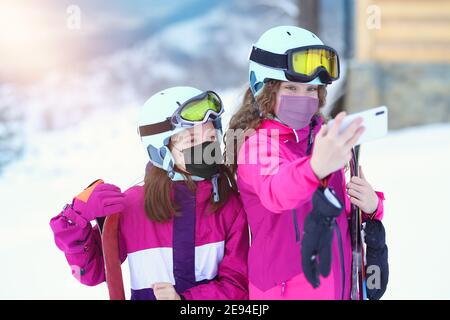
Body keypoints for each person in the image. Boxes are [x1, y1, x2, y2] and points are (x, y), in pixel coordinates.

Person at [225, 26, 385, 300]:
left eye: (311, 89)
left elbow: (330, 211)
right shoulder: (256, 145)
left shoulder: (321, 138)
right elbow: (278, 190)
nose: (304, 98)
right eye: (291, 87)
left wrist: (371, 206)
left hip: (339, 289)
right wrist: (315, 167)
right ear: (263, 88)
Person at [50, 87, 249, 300]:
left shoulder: (228, 205)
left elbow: (237, 286)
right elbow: (93, 272)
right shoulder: (133, 207)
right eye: (191, 140)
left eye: (211, 136)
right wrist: (74, 218)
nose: (206, 147)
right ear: (160, 150)